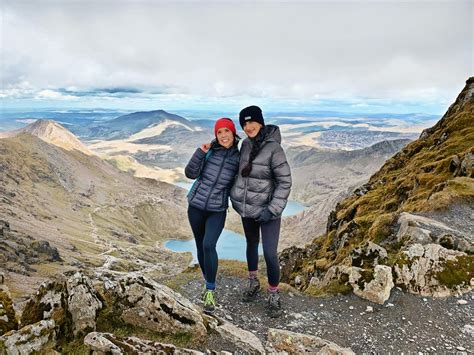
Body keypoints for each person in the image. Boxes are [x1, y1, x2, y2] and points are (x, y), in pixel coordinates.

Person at [230, 105, 292, 318]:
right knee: (250, 245)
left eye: (251, 122)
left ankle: (274, 293)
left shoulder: (274, 149)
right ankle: (252, 282)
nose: (248, 127)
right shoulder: (245, 145)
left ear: (261, 121)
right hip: (247, 209)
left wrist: (272, 209)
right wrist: (236, 197)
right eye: (244, 123)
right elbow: (241, 174)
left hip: (267, 212)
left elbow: (285, 182)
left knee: (270, 253)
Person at [185, 117, 240, 314]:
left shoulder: (239, 157)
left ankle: (210, 290)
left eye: (227, 131)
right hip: (196, 206)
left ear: (233, 133)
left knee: (209, 245)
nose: (223, 135)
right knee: (200, 246)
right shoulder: (209, 152)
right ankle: (207, 283)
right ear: (216, 135)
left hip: (217, 209)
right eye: (219, 132)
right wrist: (200, 153)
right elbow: (190, 174)